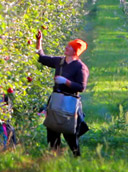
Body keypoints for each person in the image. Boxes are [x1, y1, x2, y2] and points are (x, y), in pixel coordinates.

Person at [35, 29, 89, 157]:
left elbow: (81, 87)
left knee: (70, 132)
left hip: (69, 103)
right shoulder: (60, 61)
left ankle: (77, 157)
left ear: (75, 51)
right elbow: (42, 58)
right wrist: (39, 42)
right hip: (56, 100)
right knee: (52, 129)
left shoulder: (80, 67)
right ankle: (54, 156)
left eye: (69, 47)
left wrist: (66, 82)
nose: (66, 47)